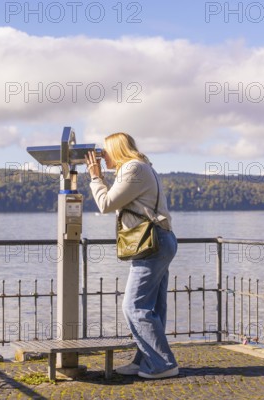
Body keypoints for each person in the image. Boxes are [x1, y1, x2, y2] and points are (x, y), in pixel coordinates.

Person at [86, 132, 179, 379]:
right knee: (153, 307)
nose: (101, 157)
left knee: (134, 306)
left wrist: (95, 178)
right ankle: (144, 361)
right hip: (158, 240)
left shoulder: (134, 169)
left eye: (104, 152)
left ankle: (163, 364)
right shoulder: (140, 167)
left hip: (153, 243)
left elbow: (106, 204)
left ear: (116, 150)